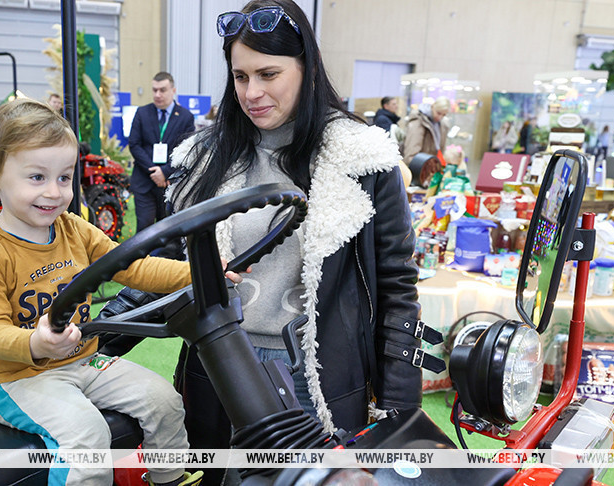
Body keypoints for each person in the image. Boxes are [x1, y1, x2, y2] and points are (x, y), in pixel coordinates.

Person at [167, 1, 426, 482]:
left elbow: (396, 287)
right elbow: (162, 265)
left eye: (268, 73)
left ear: (306, 68)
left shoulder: (361, 157)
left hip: (317, 376)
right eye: (240, 76)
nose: (252, 92)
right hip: (222, 365)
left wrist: (398, 407)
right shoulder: (205, 157)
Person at [0, 98, 204, 486]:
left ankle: (168, 478)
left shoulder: (74, 229)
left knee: (164, 399)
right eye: (36, 177)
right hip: (17, 379)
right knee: (88, 435)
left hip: (84, 361)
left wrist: (199, 273)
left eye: (64, 177)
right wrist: (36, 344)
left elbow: (134, 266)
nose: (54, 192)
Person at [128, 72, 195, 232]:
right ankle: (143, 258)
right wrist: (154, 171)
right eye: (154, 90)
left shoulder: (185, 117)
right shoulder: (142, 113)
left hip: (171, 183)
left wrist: (165, 172)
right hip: (145, 180)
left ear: (173, 90)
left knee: (169, 232)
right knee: (145, 229)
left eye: (162, 90)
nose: (157, 95)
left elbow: (185, 150)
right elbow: (134, 144)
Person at [403, 96, 450, 165]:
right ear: (433, 107)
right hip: (418, 168)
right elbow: (411, 153)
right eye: (438, 113)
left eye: (444, 115)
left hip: (428, 165)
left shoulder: (440, 124)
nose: (440, 117)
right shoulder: (419, 121)